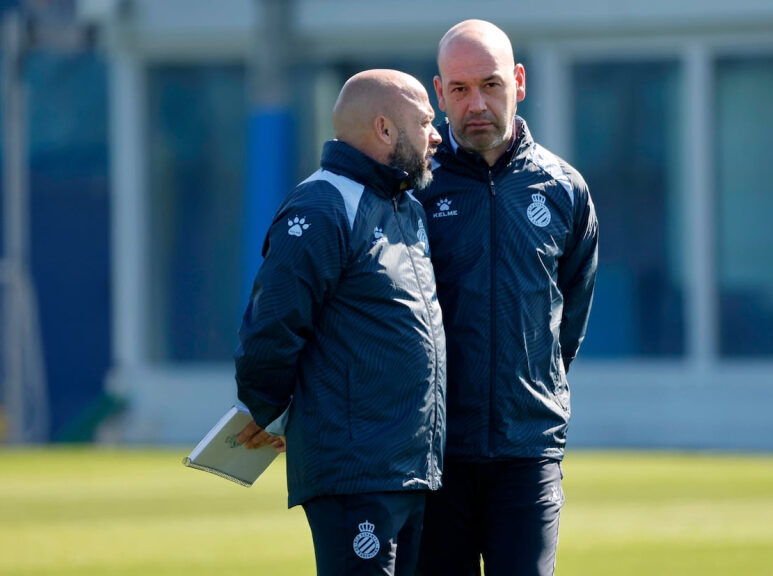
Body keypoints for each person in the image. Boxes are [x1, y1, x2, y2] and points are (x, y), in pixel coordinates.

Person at [233, 69, 446, 576]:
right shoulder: (323, 204)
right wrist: (267, 409)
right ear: (385, 130)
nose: (437, 136)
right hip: (357, 473)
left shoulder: (404, 206)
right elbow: (273, 324)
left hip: (409, 471)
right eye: (424, 122)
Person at [414, 19, 598, 576]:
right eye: (461, 88)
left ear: (518, 81)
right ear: (440, 93)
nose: (476, 103)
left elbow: (569, 322)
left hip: (527, 453)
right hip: (434, 455)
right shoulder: (412, 190)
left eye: (490, 85)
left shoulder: (565, 190)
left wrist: (532, 390)